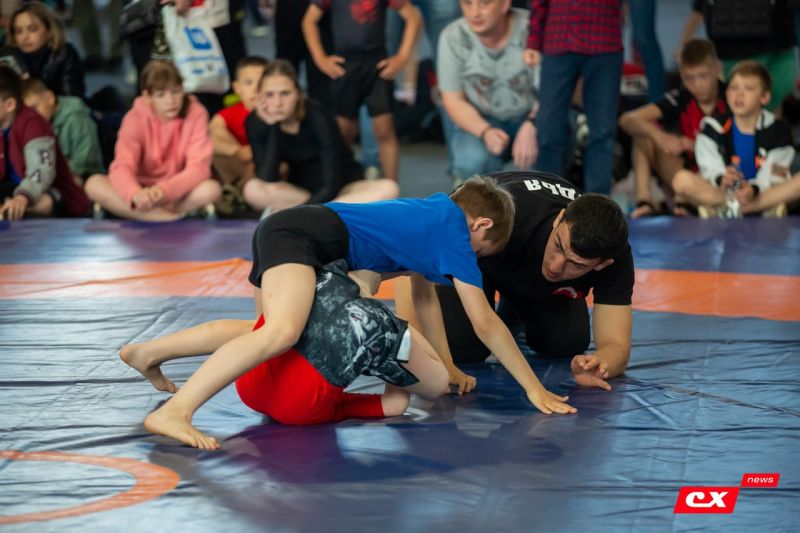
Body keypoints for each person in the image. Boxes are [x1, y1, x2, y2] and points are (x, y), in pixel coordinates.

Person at [143, 175, 577, 449]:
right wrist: (533, 388)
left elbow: (424, 297)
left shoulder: (430, 216)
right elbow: (485, 322)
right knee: (281, 333)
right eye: (480, 252)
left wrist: (448, 365)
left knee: (264, 334)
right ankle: (177, 410)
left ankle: (149, 353)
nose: (472, 259)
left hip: (291, 228)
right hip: (306, 237)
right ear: (480, 226)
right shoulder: (455, 235)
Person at [121, 261, 449, 436]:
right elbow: (395, 406)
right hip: (262, 393)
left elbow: (392, 404)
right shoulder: (312, 408)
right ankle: (384, 302)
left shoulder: (324, 405)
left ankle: (150, 351)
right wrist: (388, 360)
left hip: (270, 381)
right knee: (437, 383)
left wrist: (387, 354)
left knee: (262, 331)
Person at [397, 171, 633, 391]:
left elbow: (616, 346)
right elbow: (416, 253)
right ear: (559, 218)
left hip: (529, 278)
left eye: (577, 265)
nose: (555, 265)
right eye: (558, 245)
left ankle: (514, 307)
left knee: (565, 343)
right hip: (478, 257)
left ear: (602, 264)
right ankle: (508, 300)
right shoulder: (507, 212)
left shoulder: (615, 254)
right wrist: (413, 349)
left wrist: (600, 365)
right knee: (462, 347)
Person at [243, 59, 399, 215]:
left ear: (298, 94)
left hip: (342, 189)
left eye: (285, 93)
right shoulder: (255, 122)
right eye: (269, 94)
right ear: (259, 96)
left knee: (389, 188)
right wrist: (273, 127)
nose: (277, 103)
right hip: (301, 193)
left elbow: (331, 183)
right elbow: (267, 177)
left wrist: (307, 211)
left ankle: (308, 214)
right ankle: (324, 214)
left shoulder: (317, 116)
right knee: (252, 189)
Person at [84, 60, 221, 222]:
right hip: (140, 192)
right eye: (161, 95)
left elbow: (199, 168)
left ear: (183, 89)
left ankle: (150, 215)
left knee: (211, 189)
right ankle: (165, 218)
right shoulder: (134, 118)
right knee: (94, 184)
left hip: (176, 191)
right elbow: (122, 165)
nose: (170, 101)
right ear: (147, 96)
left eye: (176, 92)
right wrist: (135, 193)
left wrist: (163, 191)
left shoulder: (196, 112)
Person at [301, 0, 421, 182]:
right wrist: (320, 59)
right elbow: (309, 21)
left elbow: (413, 17)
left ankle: (392, 189)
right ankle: (340, 184)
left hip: (377, 65)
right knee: (344, 132)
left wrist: (402, 56)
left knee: (385, 129)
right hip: (345, 67)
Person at [618, 39, 727, 218]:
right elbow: (628, 119)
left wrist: (695, 146)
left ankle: (689, 202)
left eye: (703, 76)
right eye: (689, 78)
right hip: (682, 176)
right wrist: (659, 136)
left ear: (717, 69)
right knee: (643, 133)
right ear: (681, 75)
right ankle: (644, 201)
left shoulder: (731, 97)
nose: (697, 85)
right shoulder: (681, 98)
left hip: (719, 174)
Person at [671, 61, 794, 217]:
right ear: (727, 93)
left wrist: (754, 189)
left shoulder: (779, 131)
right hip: (728, 190)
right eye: (734, 88)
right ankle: (758, 208)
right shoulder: (713, 127)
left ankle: (724, 208)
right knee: (681, 180)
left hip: (762, 191)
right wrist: (722, 177)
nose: (739, 94)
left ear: (764, 97)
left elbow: (778, 170)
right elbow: (709, 166)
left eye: (748, 88)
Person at [525, 0, 623, 195]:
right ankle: (548, 201)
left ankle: (598, 204)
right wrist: (533, 40)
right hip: (559, 37)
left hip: (604, 39)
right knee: (548, 128)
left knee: (603, 131)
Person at [437, 0, 539, 184]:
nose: (475, 13)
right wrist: (485, 131)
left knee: (548, 155)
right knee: (471, 160)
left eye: (484, 4)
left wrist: (533, 123)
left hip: (534, 117)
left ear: (505, 4)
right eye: (467, 4)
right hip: (483, 118)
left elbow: (553, 91)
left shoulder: (533, 29)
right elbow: (452, 100)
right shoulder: (452, 36)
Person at [0, 65, 89, 220]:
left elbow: (41, 171)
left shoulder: (33, 123)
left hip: (52, 194)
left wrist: (22, 197)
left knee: (43, 201)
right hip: (11, 191)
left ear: (10, 105)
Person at [210, 55, 268, 216]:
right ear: (237, 87)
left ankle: (243, 197)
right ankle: (235, 194)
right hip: (237, 165)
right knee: (216, 149)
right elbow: (213, 132)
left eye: (262, 82)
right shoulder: (230, 113)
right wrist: (236, 150)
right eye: (249, 83)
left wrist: (253, 152)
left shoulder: (275, 111)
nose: (256, 88)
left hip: (264, 167)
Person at [22, 77, 104, 181]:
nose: (32, 115)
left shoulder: (76, 118)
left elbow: (85, 162)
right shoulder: (38, 122)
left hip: (85, 177)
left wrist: (52, 172)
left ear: (50, 98)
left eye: (35, 108)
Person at [1, 2, 85, 97]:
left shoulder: (64, 53)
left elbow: (73, 99)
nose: (25, 37)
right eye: (18, 31)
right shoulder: (8, 57)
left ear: (49, 31)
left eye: (33, 29)